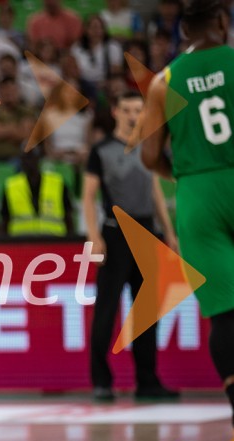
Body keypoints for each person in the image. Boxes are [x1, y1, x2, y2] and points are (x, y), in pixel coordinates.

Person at [138, 0, 234, 441]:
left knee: (225, 314)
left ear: (183, 31)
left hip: (197, 195)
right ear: (221, 22)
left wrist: (189, 176)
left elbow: (149, 155)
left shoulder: (165, 81)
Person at [84, 91, 179, 401]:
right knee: (107, 311)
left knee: (146, 314)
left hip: (147, 234)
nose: (133, 115)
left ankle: (148, 381)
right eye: (127, 109)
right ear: (115, 111)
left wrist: (169, 232)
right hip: (115, 233)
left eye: (138, 110)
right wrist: (93, 236)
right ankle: (101, 381)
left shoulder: (147, 147)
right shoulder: (101, 150)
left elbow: (154, 189)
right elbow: (88, 196)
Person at [0, 145, 74, 237]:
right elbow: (5, 221)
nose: (27, 161)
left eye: (31, 156)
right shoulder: (11, 186)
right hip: (21, 244)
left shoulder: (58, 183)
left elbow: (68, 218)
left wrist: (70, 242)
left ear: (39, 158)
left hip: (54, 243)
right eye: (24, 157)